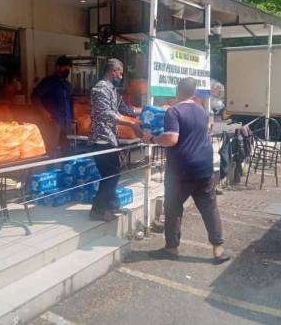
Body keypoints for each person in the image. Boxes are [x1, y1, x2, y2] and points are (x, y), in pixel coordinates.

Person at [143, 77, 232, 264]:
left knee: (173, 207)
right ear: (194, 93)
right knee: (209, 208)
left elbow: (172, 139)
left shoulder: (174, 111)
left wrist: (151, 138)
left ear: (177, 91)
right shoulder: (202, 110)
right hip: (205, 167)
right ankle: (218, 249)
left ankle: (172, 248)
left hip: (180, 171)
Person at [89, 58, 140, 221]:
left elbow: (123, 108)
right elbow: (107, 114)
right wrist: (132, 124)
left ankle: (110, 205)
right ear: (114, 71)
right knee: (111, 174)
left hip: (110, 138)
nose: (122, 76)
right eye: (121, 72)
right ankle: (97, 209)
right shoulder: (100, 89)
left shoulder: (111, 89)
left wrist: (142, 112)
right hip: (101, 139)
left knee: (112, 174)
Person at [31, 56, 74, 156]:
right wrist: (44, 112)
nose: (67, 71)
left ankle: (65, 170)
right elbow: (35, 97)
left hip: (66, 122)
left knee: (67, 150)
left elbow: (70, 103)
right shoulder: (47, 82)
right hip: (52, 121)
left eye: (69, 69)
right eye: (65, 68)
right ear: (57, 68)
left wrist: (72, 119)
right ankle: (50, 170)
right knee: (51, 149)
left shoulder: (68, 85)